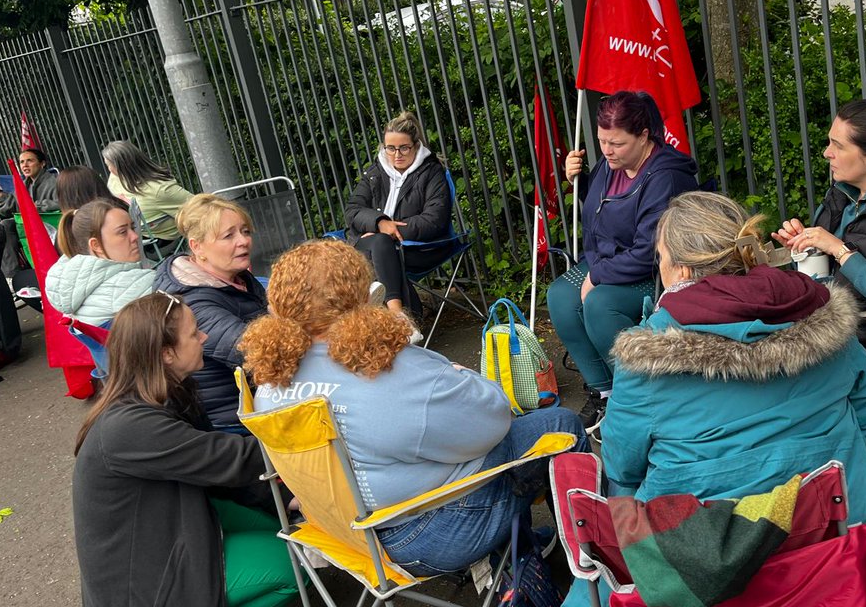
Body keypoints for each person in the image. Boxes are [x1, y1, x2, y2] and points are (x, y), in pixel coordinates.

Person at [240, 239, 590, 576]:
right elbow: (495, 421)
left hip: (346, 534)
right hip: (431, 537)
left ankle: (519, 549)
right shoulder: (393, 371)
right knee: (557, 424)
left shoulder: (270, 382)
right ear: (363, 296)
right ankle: (590, 557)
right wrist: (462, 377)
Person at [603, 191, 866, 521]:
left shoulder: (646, 355)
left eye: (661, 257)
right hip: (837, 515)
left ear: (681, 271)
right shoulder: (819, 310)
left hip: (707, 545)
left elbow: (623, 464)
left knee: (619, 494)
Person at [72, 292, 297, 607]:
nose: (206, 338)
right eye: (195, 334)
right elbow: (236, 458)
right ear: (165, 354)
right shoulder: (130, 426)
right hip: (148, 574)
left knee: (283, 525)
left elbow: (217, 470)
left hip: (169, 528)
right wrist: (314, 434)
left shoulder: (161, 391)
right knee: (293, 566)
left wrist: (285, 499)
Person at [546, 91, 698, 426]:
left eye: (616, 143)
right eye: (602, 141)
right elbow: (606, 208)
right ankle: (604, 394)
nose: (607, 151)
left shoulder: (666, 177)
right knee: (559, 296)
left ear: (644, 136)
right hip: (606, 262)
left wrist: (597, 276)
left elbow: (647, 251)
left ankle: (641, 397)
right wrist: (581, 181)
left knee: (599, 305)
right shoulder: (611, 165)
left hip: (654, 271)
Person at [772, 99, 866, 360]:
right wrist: (805, 250)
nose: (827, 153)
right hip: (830, 315)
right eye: (830, 142)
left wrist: (838, 249)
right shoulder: (841, 192)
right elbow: (817, 280)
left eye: (838, 146)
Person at [154, 194, 267, 432]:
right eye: (229, 235)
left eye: (245, 231)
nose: (243, 241)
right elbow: (257, 352)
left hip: (258, 396)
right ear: (197, 246)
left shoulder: (234, 277)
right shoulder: (193, 303)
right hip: (233, 419)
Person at [344, 111, 453, 335]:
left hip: (415, 247)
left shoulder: (431, 172)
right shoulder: (375, 172)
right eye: (390, 148)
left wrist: (389, 231)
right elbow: (353, 210)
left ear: (416, 145)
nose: (396, 155)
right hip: (373, 245)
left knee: (379, 248)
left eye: (404, 148)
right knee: (377, 246)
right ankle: (401, 319)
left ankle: (384, 322)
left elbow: (435, 219)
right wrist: (379, 223)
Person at [45, 198, 155, 377]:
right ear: (95, 245)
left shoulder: (73, 283)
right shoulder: (139, 285)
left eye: (132, 228)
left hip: (120, 388)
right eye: (122, 232)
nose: (135, 237)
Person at [102, 140, 195, 254]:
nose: (109, 170)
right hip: (131, 232)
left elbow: (198, 207)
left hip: (157, 241)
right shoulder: (115, 177)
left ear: (120, 167)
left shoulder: (159, 190)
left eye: (108, 165)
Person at [0, 148, 58, 282]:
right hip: (28, 223)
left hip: (48, 224)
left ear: (42, 163)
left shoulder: (54, 182)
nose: (25, 165)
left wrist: (37, 206)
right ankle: (11, 275)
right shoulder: (25, 184)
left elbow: (61, 202)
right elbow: (12, 206)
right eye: (22, 162)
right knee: (5, 225)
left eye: (30, 161)